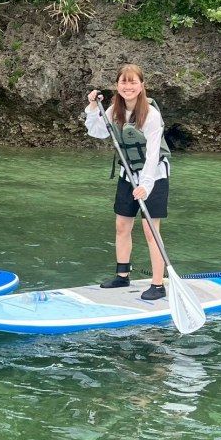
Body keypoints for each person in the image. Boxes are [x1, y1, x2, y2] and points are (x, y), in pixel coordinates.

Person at [84, 64, 171, 301]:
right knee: (122, 226)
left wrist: (146, 186)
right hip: (127, 175)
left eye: (133, 82)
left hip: (154, 176)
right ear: (118, 86)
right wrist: (93, 106)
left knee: (150, 231)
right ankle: (122, 275)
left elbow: (153, 155)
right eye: (124, 82)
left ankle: (158, 284)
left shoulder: (151, 115)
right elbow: (97, 131)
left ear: (142, 85)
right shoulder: (114, 109)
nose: (128, 87)